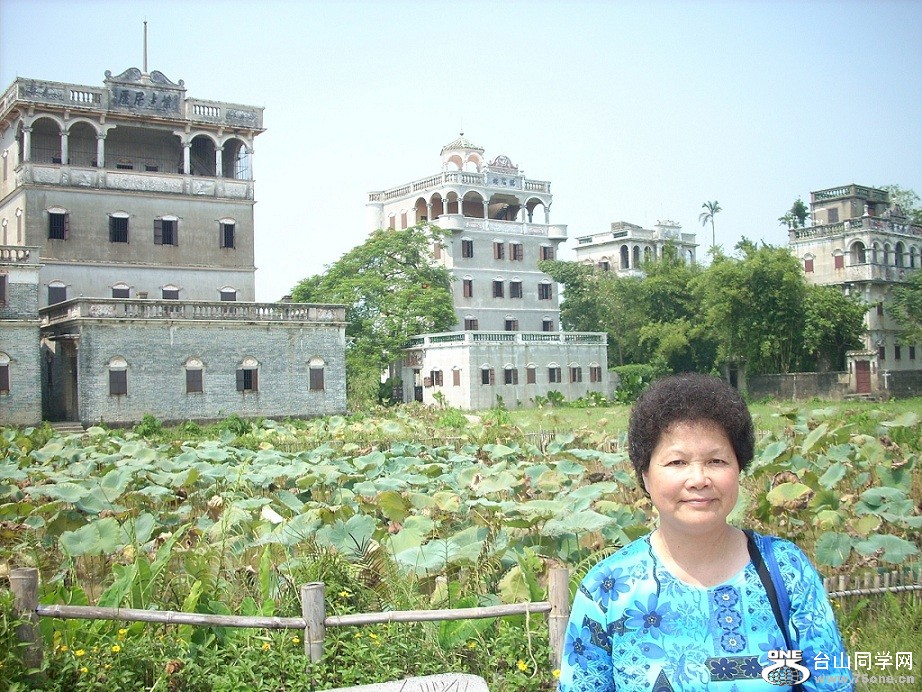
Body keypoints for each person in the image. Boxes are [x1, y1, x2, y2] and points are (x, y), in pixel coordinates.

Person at [557, 373, 853, 691]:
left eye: (716, 461)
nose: (699, 479)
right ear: (645, 475)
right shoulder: (607, 588)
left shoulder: (786, 569)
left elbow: (833, 684)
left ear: (739, 468)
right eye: (677, 462)